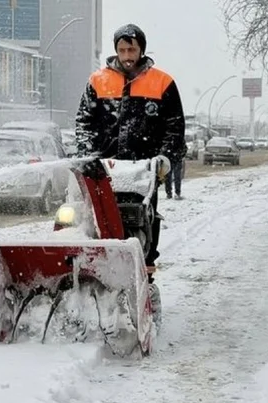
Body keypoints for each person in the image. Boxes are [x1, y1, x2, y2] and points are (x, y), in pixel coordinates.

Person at [74, 23, 186, 326]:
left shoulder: (162, 83)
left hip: (142, 172)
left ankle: (145, 280)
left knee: (143, 221)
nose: (126, 55)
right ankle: (89, 276)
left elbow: (174, 127)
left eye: (131, 50)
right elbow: (84, 123)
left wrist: (165, 157)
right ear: (116, 50)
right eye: (122, 50)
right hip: (103, 171)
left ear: (141, 50)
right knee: (92, 223)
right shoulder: (98, 81)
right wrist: (87, 154)